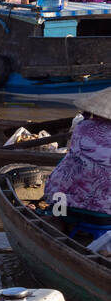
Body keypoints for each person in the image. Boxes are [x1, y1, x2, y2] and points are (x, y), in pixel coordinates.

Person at [44, 90, 111, 220]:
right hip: (105, 211)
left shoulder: (82, 126)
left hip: (62, 202)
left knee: (66, 164)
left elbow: (72, 155)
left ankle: (59, 220)